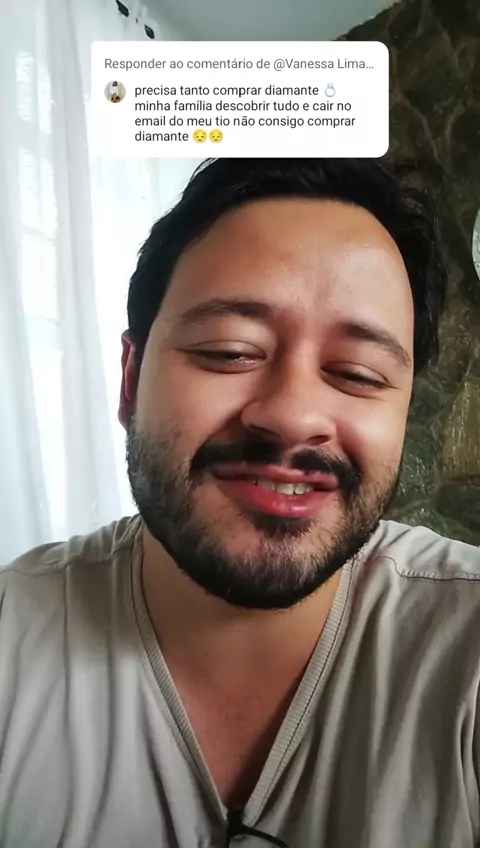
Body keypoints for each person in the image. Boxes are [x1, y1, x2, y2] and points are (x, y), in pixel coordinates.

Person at [1, 158, 479, 848]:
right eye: (230, 352)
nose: (293, 416)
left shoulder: (465, 647)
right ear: (131, 381)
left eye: (357, 373)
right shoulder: (13, 637)